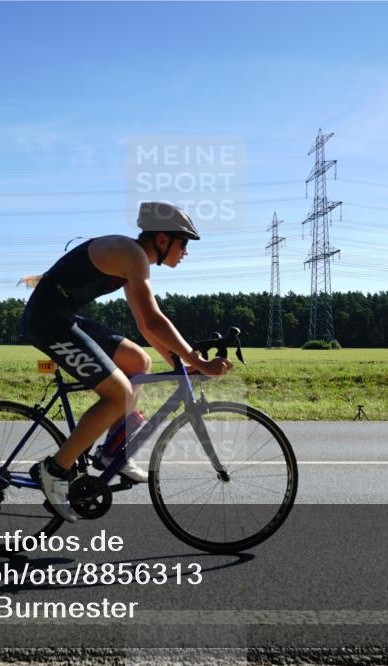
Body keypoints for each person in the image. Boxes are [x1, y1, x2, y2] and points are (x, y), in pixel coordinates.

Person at [20, 202, 233, 522]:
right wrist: (198, 362)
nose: (185, 251)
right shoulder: (131, 254)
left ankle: (111, 452)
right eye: (184, 242)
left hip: (61, 316)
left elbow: (147, 326)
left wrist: (179, 365)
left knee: (138, 361)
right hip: (47, 321)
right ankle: (54, 470)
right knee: (118, 393)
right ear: (162, 240)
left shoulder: (131, 256)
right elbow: (154, 319)